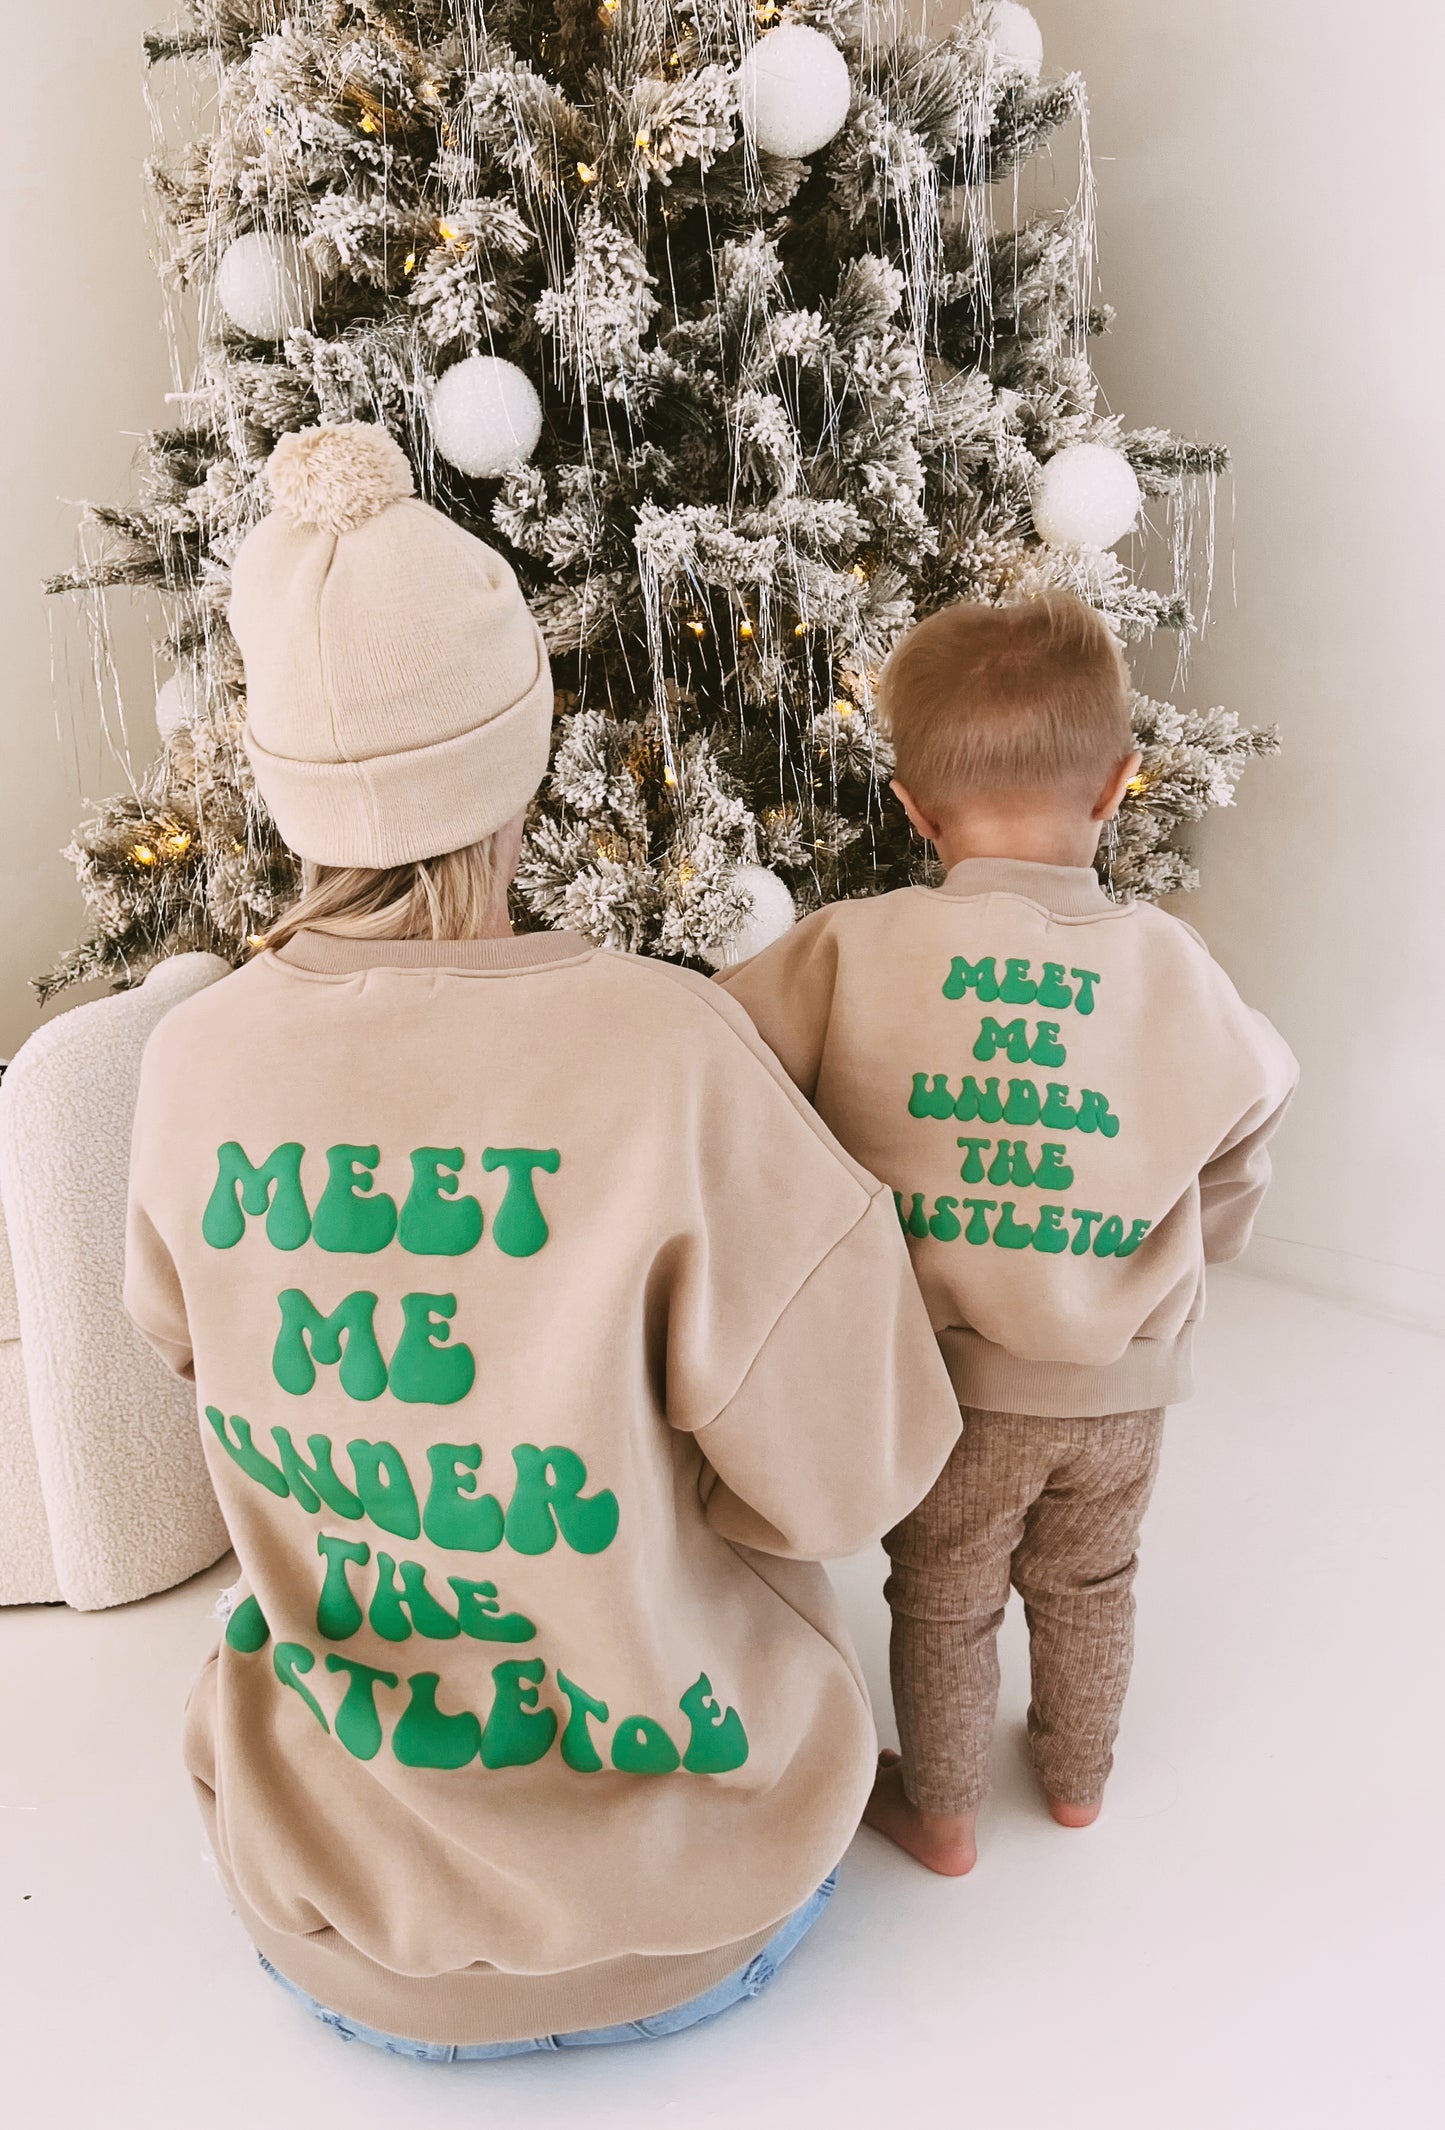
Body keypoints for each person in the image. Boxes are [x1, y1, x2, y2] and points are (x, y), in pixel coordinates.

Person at [124, 422, 962, 2056]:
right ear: (522, 751)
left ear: (286, 775)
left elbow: (188, 1349)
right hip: (695, 1920)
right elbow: (858, 1468)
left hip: (331, 1934)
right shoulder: (666, 1049)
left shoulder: (189, 1062)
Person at [716, 592, 1298, 1877]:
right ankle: (1078, 1783)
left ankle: (942, 1813)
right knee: (1092, 1581)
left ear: (913, 812)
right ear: (1120, 787)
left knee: (941, 1593)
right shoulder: (1171, 965)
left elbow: (717, 1056)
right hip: (1120, 1390)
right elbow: (1250, 1111)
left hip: (950, 1389)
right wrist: (1194, 1241)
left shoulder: (851, 950)